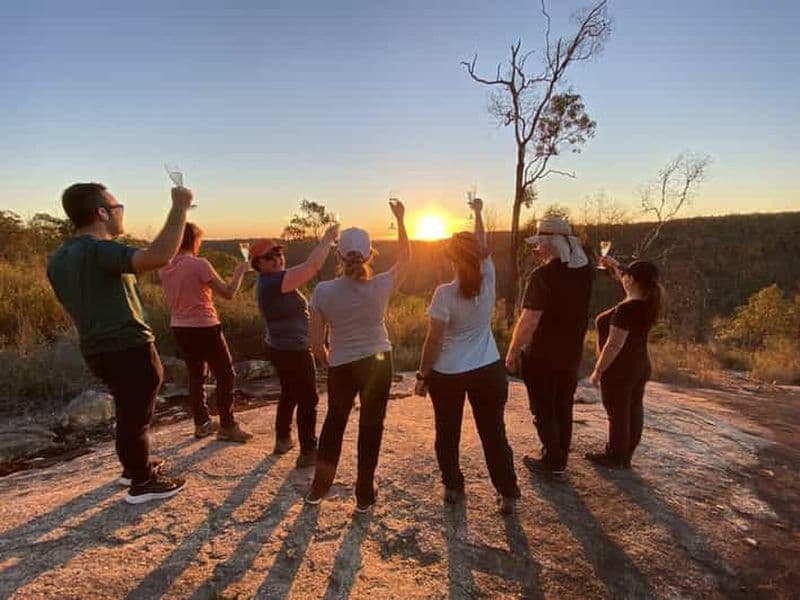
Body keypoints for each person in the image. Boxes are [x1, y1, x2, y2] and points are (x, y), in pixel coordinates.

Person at [47, 182, 191, 504]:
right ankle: (141, 483)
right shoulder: (99, 249)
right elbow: (158, 257)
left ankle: (134, 466)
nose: (120, 213)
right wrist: (180, 207)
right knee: (134, 416)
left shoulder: (58, 258)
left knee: (129, 410)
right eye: (117, 207)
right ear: (101, 212)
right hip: (127, 344)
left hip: (96, 346)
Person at [415, 198, 520, 514]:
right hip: (489, 370)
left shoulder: (445, 293)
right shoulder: (488, 278)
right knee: (493, 433)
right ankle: (508, 492)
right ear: (477, 256)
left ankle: (453, 486)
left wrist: (423, 375)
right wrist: (479, 213)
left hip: (449, 374)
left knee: (447, 432)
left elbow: (433, 340)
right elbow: (483, 245)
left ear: (451, 257)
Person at [306, 200, 410, 512]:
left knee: (335, 422)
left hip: (342, 364)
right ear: (369, 254)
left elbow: (315, 342)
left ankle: (319, 487)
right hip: (378, 360)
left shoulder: (323, 291)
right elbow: (406, 258)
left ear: (338, 256)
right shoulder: (382, 284)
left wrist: (327, 356)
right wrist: (401, 220)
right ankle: (364, 490)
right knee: (371, 423)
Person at [505, 217, 594, 475]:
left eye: (540, 244)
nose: (537, 250)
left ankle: (552, 459)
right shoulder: (585, 271)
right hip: (571, 352)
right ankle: (560, 455)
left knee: (543, 407)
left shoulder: (542, 276)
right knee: (563, 404)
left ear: (551, 244)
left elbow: (530, 318)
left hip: (542, 353)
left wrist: (513, 350)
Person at [252, 224, 339, 468]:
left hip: (279, 346)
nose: (276, 259)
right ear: (258, 264)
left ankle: (282, 439)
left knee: (289, 392)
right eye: (268, 258)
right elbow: (312, 267)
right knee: (309, 398)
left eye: (278, 254)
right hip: (293, 349)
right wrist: (328, 239)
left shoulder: (270, 280)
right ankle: (308, 450)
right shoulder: (273, 283)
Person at [159, 222, 252, 442]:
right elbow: (228, 293)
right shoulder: (199, 264)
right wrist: (240, 271)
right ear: (194, 240)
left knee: (196, 376)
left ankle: (201, 424)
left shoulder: (165, 266)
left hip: (180, 326)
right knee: (226, 374)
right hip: (205, 325)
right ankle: (228, 425)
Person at [586, 258, 663, 469]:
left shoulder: (626, 310)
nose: (623, 278)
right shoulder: (647, 302)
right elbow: (626, 276)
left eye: (626, 276)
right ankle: (626, 454)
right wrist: (613, 265)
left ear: (632, 280)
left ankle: (615, 456)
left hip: (620, 368)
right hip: (640, 365)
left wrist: (598, 370)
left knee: (617, 412)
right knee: (633, 408)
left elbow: (613, 345)